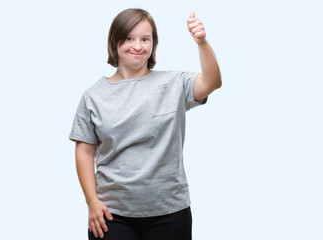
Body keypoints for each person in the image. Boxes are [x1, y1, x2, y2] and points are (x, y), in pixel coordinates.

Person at [69, 8, 221, 240]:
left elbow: (212, 81)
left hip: (170, 212)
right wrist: (92, 202)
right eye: (129, 38)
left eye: (145, 39)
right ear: (114, 42)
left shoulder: (174, 83)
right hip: (111, 214)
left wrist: (201, 42)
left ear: (153, 45)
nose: (137, 46)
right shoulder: (93, 96)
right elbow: (85, 151)